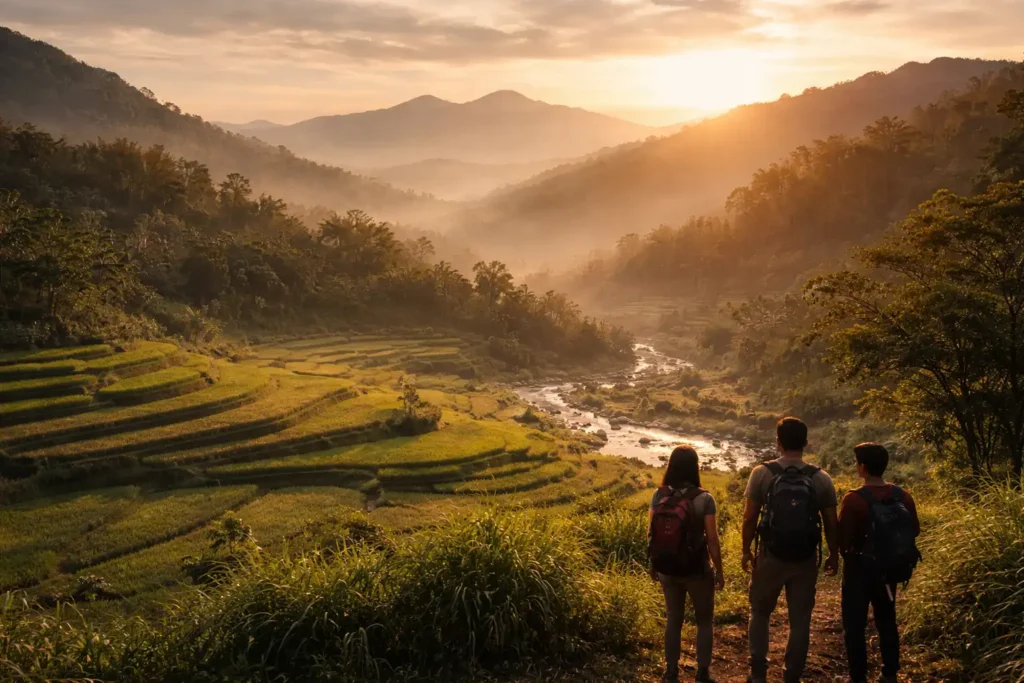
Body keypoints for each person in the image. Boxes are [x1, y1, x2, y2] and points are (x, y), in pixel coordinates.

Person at [741, 417, 839, 683]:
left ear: (778, 442)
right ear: (806, 443)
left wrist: (746, 550)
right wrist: (833, 553)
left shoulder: (762, 473)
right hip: (805, 558)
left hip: (770, 555)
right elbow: (831, 521)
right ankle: (791, 675)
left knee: (760, 612)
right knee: (800, 619)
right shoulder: (820, 478)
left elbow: (750, 518)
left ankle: (758, 672)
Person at [839, 443, 921, 683]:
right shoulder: (902, 495)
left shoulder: (853, 499)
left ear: (862, 467)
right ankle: (890, 673)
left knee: (855, 625)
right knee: (886, 619)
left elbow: (843, 541)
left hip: (858, 570)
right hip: (889, 571)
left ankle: (858, 676)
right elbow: (914, 530)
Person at [649, 446, 725, 683]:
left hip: (667, 568)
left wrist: (654, 564)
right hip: (696, 569)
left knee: (673, 618)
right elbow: (712, 538)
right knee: (704, 621)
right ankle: (702, 673)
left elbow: (651, 533)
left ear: (670, 466)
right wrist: (719, 570)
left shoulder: (659, 495)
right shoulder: (704, 499)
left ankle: (670, 672)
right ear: (695, 467)